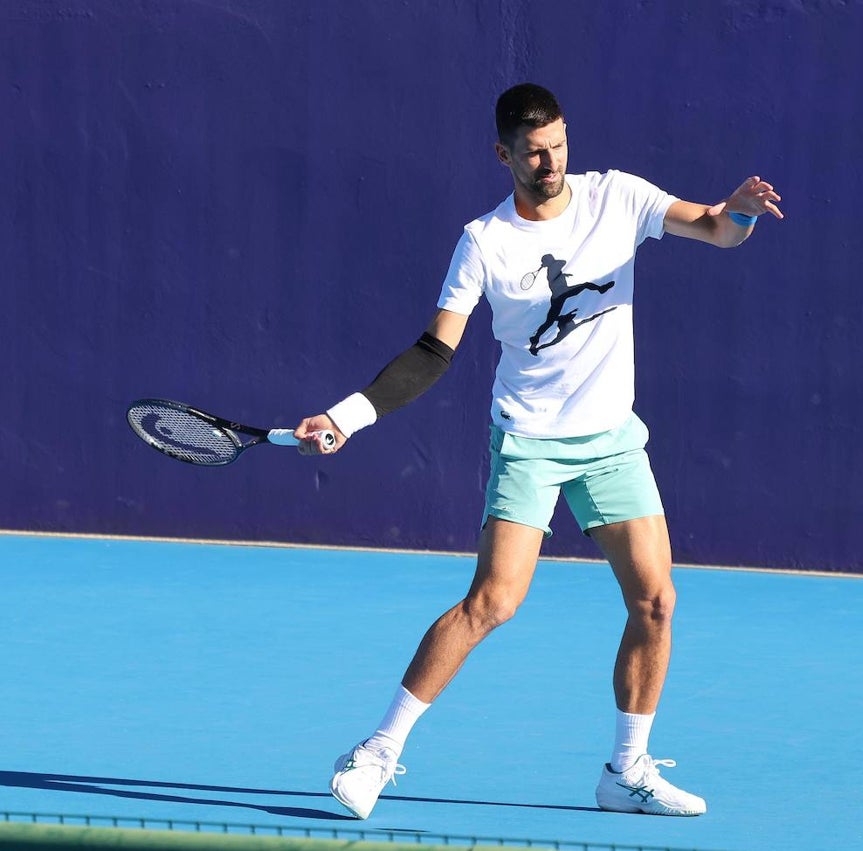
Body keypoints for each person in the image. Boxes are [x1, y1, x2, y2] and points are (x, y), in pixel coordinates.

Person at [294, 82, 782, 820]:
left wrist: (739, 209)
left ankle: (627, 770)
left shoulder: (618, 197)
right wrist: (348, 415)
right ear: (504, 155)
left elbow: (716, 228)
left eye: (556, 145)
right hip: (530, 440)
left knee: (655, 600)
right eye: (532, 151)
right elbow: (433, 351)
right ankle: (377, 750)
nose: (548, 160)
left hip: (612, 438)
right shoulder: (484, 241)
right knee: (493, 601)